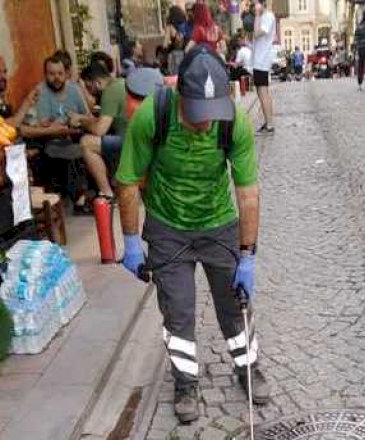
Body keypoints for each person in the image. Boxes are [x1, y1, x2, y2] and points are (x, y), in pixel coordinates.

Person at [115, 47, 268, 423]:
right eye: (198, 112)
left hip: (219, 224)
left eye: (212, 112)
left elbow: (248, 194)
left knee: (234, 306)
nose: (205, 123)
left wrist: (247, 255)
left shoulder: (233, 122)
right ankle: (185, 382)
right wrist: (131, 241)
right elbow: (128, 181)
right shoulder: (152, 115)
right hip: (168, 228)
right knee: (178, 311)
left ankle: (247, 367)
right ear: (180, 94)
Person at [28, 54, 91, 214]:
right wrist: (68, 123)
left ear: (66, 73)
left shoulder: (74, 90)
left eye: (60, 73)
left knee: (91, 145)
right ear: (45, 74)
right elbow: (43, 124)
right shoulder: (41, 91)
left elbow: (87, 116)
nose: (56, 78)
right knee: (73, 152)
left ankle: (89, 195)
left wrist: (76, 120)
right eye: (52, 74)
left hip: (75, 136)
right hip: (51, 141)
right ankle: (80, 201)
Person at [75, 60, 128, 200]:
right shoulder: (120, 83)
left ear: (97, 82)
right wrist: (85, 119)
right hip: (135, 138)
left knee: (86, 142)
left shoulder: (110, 92)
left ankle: (107, 193)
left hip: (129, 142)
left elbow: (100, 130)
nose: (89, 92)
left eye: (89, 87)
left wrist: (81, 121)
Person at [251, 0, 276, 134]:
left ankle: (269, 124)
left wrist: (257, 15)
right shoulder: (265, 16)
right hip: (259, 59)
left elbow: (257, 33)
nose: (253, 6)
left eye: (255, 3)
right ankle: (268, 122)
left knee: (263, 91)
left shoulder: (267, 16)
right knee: (262, 91)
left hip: (262, 60)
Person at [165, 5, 190, 75]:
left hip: (174, 54)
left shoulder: (170, 26)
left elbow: (165, 44)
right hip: (186, 53)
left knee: (175, 75)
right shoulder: (185, 24)